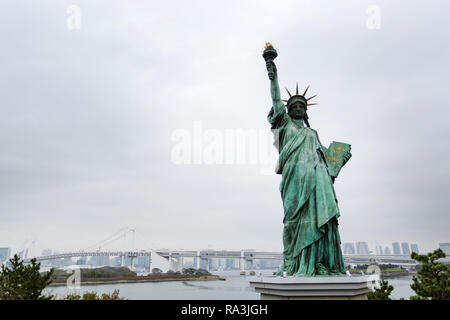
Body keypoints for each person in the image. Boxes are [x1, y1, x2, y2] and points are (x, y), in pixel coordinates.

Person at [266, 59, 351, 276]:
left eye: (301, 107)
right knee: (293, 222)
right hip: (294, 180)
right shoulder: (283, 125)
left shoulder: (312, 133)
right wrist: (272, 70)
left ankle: (318, 263)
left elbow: (327, 160)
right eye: (293, 106)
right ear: (288, 110)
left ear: (305, 112)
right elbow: (276, 98)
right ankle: (292, 263)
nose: (297, 108)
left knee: (318, 219)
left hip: (317, 180)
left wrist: (340, 158)